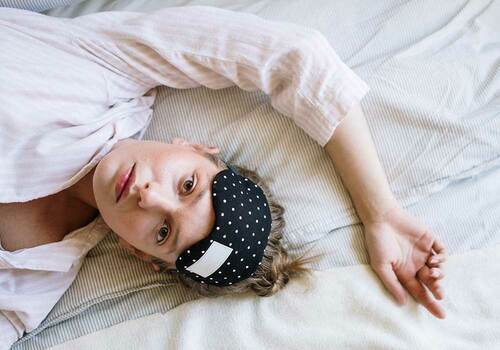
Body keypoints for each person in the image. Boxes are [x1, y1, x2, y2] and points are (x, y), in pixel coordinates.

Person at [0, 4, 446, 348]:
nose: (149, 196)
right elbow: (295, 57)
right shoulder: (111, 67)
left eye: (162, 232)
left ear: (139, 254)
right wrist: (381, 213)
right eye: (187, 185)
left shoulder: (33, 279)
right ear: (194, 147)